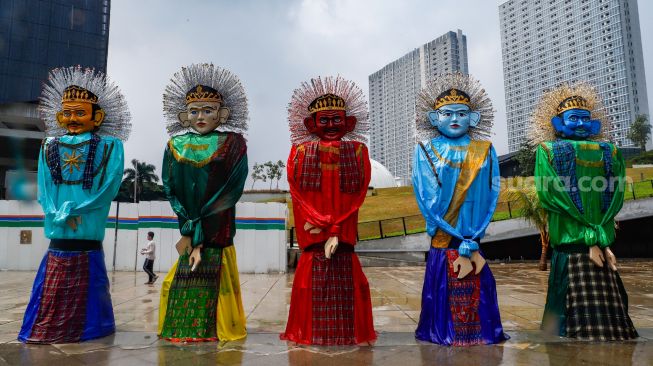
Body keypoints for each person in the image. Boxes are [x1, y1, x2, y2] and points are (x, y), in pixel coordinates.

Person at [18, 66, 130, 343]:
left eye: (80, 112)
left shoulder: (111, 146)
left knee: (91, 286)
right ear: (58, 115)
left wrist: (75, 210)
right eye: (67, 113)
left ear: (97, 116)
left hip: (87, 232)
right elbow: (44, 189)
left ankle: (91, 327)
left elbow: (108, 188)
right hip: (58, 234)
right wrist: (56, 214)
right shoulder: (49, 145)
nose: (72, 119)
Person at [532, 82, 638, 340]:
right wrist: (589, 234)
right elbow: (552, 195)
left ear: (594, 124)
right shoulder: (548, 151)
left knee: (607, 296)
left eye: (584, 119)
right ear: (559, 123)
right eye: (572, 119)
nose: (579, 124)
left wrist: (602, 237)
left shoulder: (609, 151)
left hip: (600, 240)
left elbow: (615, 194)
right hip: (572, 242)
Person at [412, 73, 508, 346]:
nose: (454, 118)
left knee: (480, 287)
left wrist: (474, 235)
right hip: (445, 236)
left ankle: (480, 333)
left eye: (462, 113)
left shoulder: (485, 149)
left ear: (474, 118)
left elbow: (491, 195)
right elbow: (427, 198)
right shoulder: (425, 149)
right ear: (434, 118)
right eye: (447, 113)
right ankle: (444, 331)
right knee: (443, 286)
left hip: (473, 234)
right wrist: (455, 233)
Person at [281, 76, 376, 346]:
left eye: (337, 119)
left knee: (348, 285)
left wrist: (336, 227)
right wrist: (320, 222)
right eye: (324, 120)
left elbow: (357, 194)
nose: (331, 125)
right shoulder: (299, 152)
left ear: (349, 123)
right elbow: (297, 193)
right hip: (314, 236)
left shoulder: (358, 151)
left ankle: (346, 332)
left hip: (342, 237)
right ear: (311, 124)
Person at [158, 63, 248, 342]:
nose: (200, 116)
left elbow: (232, 187)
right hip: (189, 225)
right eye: (194, 111)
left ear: (222, 114)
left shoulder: (233, 143)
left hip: (217, 227)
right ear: (184, 116)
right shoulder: (175, 144)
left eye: (208, 110)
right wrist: (187, 220)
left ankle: (214, 328)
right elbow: (170, 186)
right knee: (176, 283)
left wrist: (201, 224)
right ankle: (184, 328)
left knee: (214, 277)